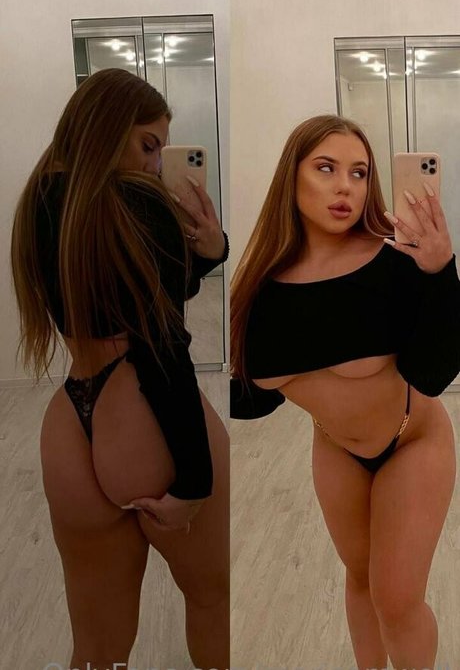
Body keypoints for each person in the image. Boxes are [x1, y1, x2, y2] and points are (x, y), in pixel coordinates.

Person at [10, 68, 229, 670]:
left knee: (97, 646)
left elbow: (136, 294)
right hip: (141, 413)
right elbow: (163, 343)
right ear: (108, 128)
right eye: (148, 145)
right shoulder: (138, 202)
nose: (155, 165)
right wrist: (193, 482)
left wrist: (207, 252)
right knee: (213, 601)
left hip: (70, 419)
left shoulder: (41, 200)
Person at [230, 114, 460, 670]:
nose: (346, 187)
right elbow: (251, 400)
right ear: (292, 176)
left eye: (359, 173)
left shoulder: (393, 261)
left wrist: (440, 273)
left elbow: (433, 375)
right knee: (360, 579)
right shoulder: (261, 290)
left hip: (413, 440)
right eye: (326, 168)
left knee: (397, 601)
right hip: (336, 449)